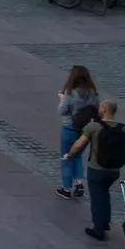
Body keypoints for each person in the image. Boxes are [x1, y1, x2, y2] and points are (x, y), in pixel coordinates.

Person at [66, 100, 125, 240]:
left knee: (97, 198)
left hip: (97, 168)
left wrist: (70, 154)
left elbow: (79, 144)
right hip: (114, 170)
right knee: (104, 194)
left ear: (103, 109)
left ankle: (98, 229)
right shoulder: (124, 129)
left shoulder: (94, 126)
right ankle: (104, 223)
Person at [55, 66, 99, 199]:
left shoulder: (70, 93)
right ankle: (79, 184)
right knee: (78, 155)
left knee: (66, 158)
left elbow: (61, 111)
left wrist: (62, 99)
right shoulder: (93, 94)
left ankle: (66, 189)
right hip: (85, 129)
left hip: (69, 127)